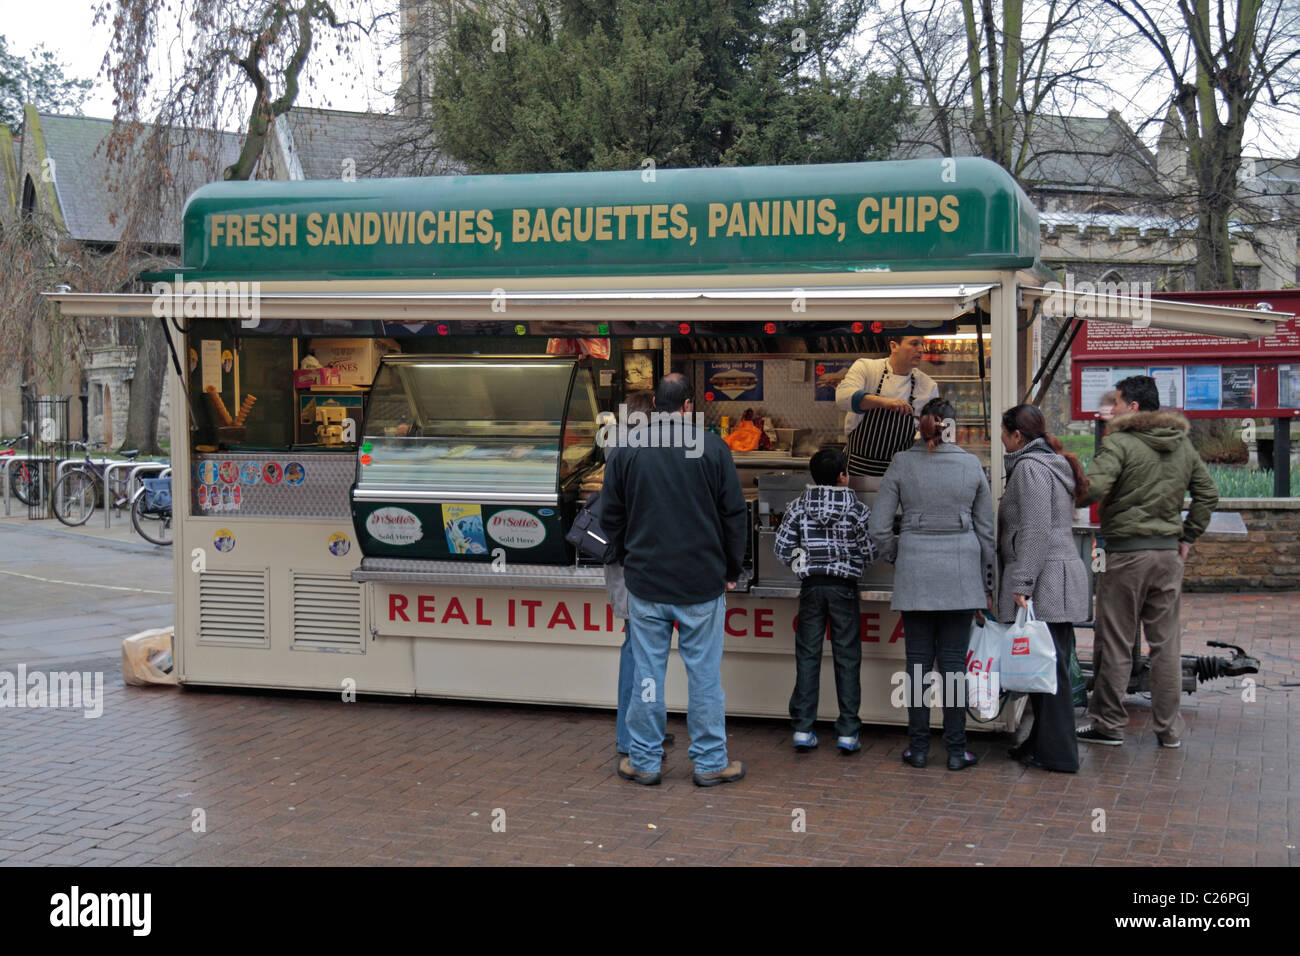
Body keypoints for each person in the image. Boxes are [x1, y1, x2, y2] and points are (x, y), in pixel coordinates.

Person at [602, 373, 749, 786]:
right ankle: (710, 762)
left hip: (646, 582)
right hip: (702, 582)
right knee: (704, 676)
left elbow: (610, 516)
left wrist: (632, 554)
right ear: (688, 406)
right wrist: (731, 570)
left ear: (656, 403)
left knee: (647, 675)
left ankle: (645, 761)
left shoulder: (627, 449)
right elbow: (734, 516)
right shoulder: (713, 446)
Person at [1076, 375, 1218, 749]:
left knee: (1116, 641)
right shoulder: (1182, 444)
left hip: (1125, 555)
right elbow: (1208, 493)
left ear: (1133, 407)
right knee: (1166, 645)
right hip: (1167, 555)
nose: (1114, 409)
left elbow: (1091, 490)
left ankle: (1108, 724)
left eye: (1118, 402)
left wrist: (1068, 470)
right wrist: (1187, 537)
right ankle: (1169, 729)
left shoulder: (1119, 442)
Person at [869, 396, 995, 771]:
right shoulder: (971, 464)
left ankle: (919, 748)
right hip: (961, 575)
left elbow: (878, 528)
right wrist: (985, 578)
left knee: (918, 666)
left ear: (920, 424)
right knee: (955, 666)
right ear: (953, 426)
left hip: (915, 571)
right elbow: (987, 533)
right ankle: (956, 750)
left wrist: (898, 554)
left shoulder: (901, 463)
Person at [997, 404, 1091, 773]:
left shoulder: (1029, 468)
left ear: (1017, 435)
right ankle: (1041, 743)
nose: (1001, 440)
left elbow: (1035, 529)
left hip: (1046, 580)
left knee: (1051, 673)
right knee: (1047, 668)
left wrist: (1021, 583)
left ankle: (1058, 754)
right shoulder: (1049, 462)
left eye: (1004, 433)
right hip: (1056, 575)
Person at [774, 447, 879, 755]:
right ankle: (847, 732)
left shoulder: (797, 507)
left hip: (811, 587)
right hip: (844, 588)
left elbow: (782, 549)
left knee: (807, 657)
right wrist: (849, 560)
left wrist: (805, 564)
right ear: (843, 477)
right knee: (847, 658)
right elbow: (871, 552)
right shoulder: (857, 510)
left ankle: (803, 729)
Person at [608, 391, 675, 757]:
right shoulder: (632, 452)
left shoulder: (622, 447)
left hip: (635, 564)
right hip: (635, 567)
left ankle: (647, 728)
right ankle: (630, 736)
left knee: (644, 651)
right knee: (637, 651)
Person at [836, 333, 940, 484]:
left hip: (899, 475)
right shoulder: (867, 368)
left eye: (922, 344)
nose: (920, 349)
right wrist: (884, 402)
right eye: (914, 343)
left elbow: (930, 432)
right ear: (894, 346)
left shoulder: (927, 386)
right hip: (856, 473)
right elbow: (842, 397)